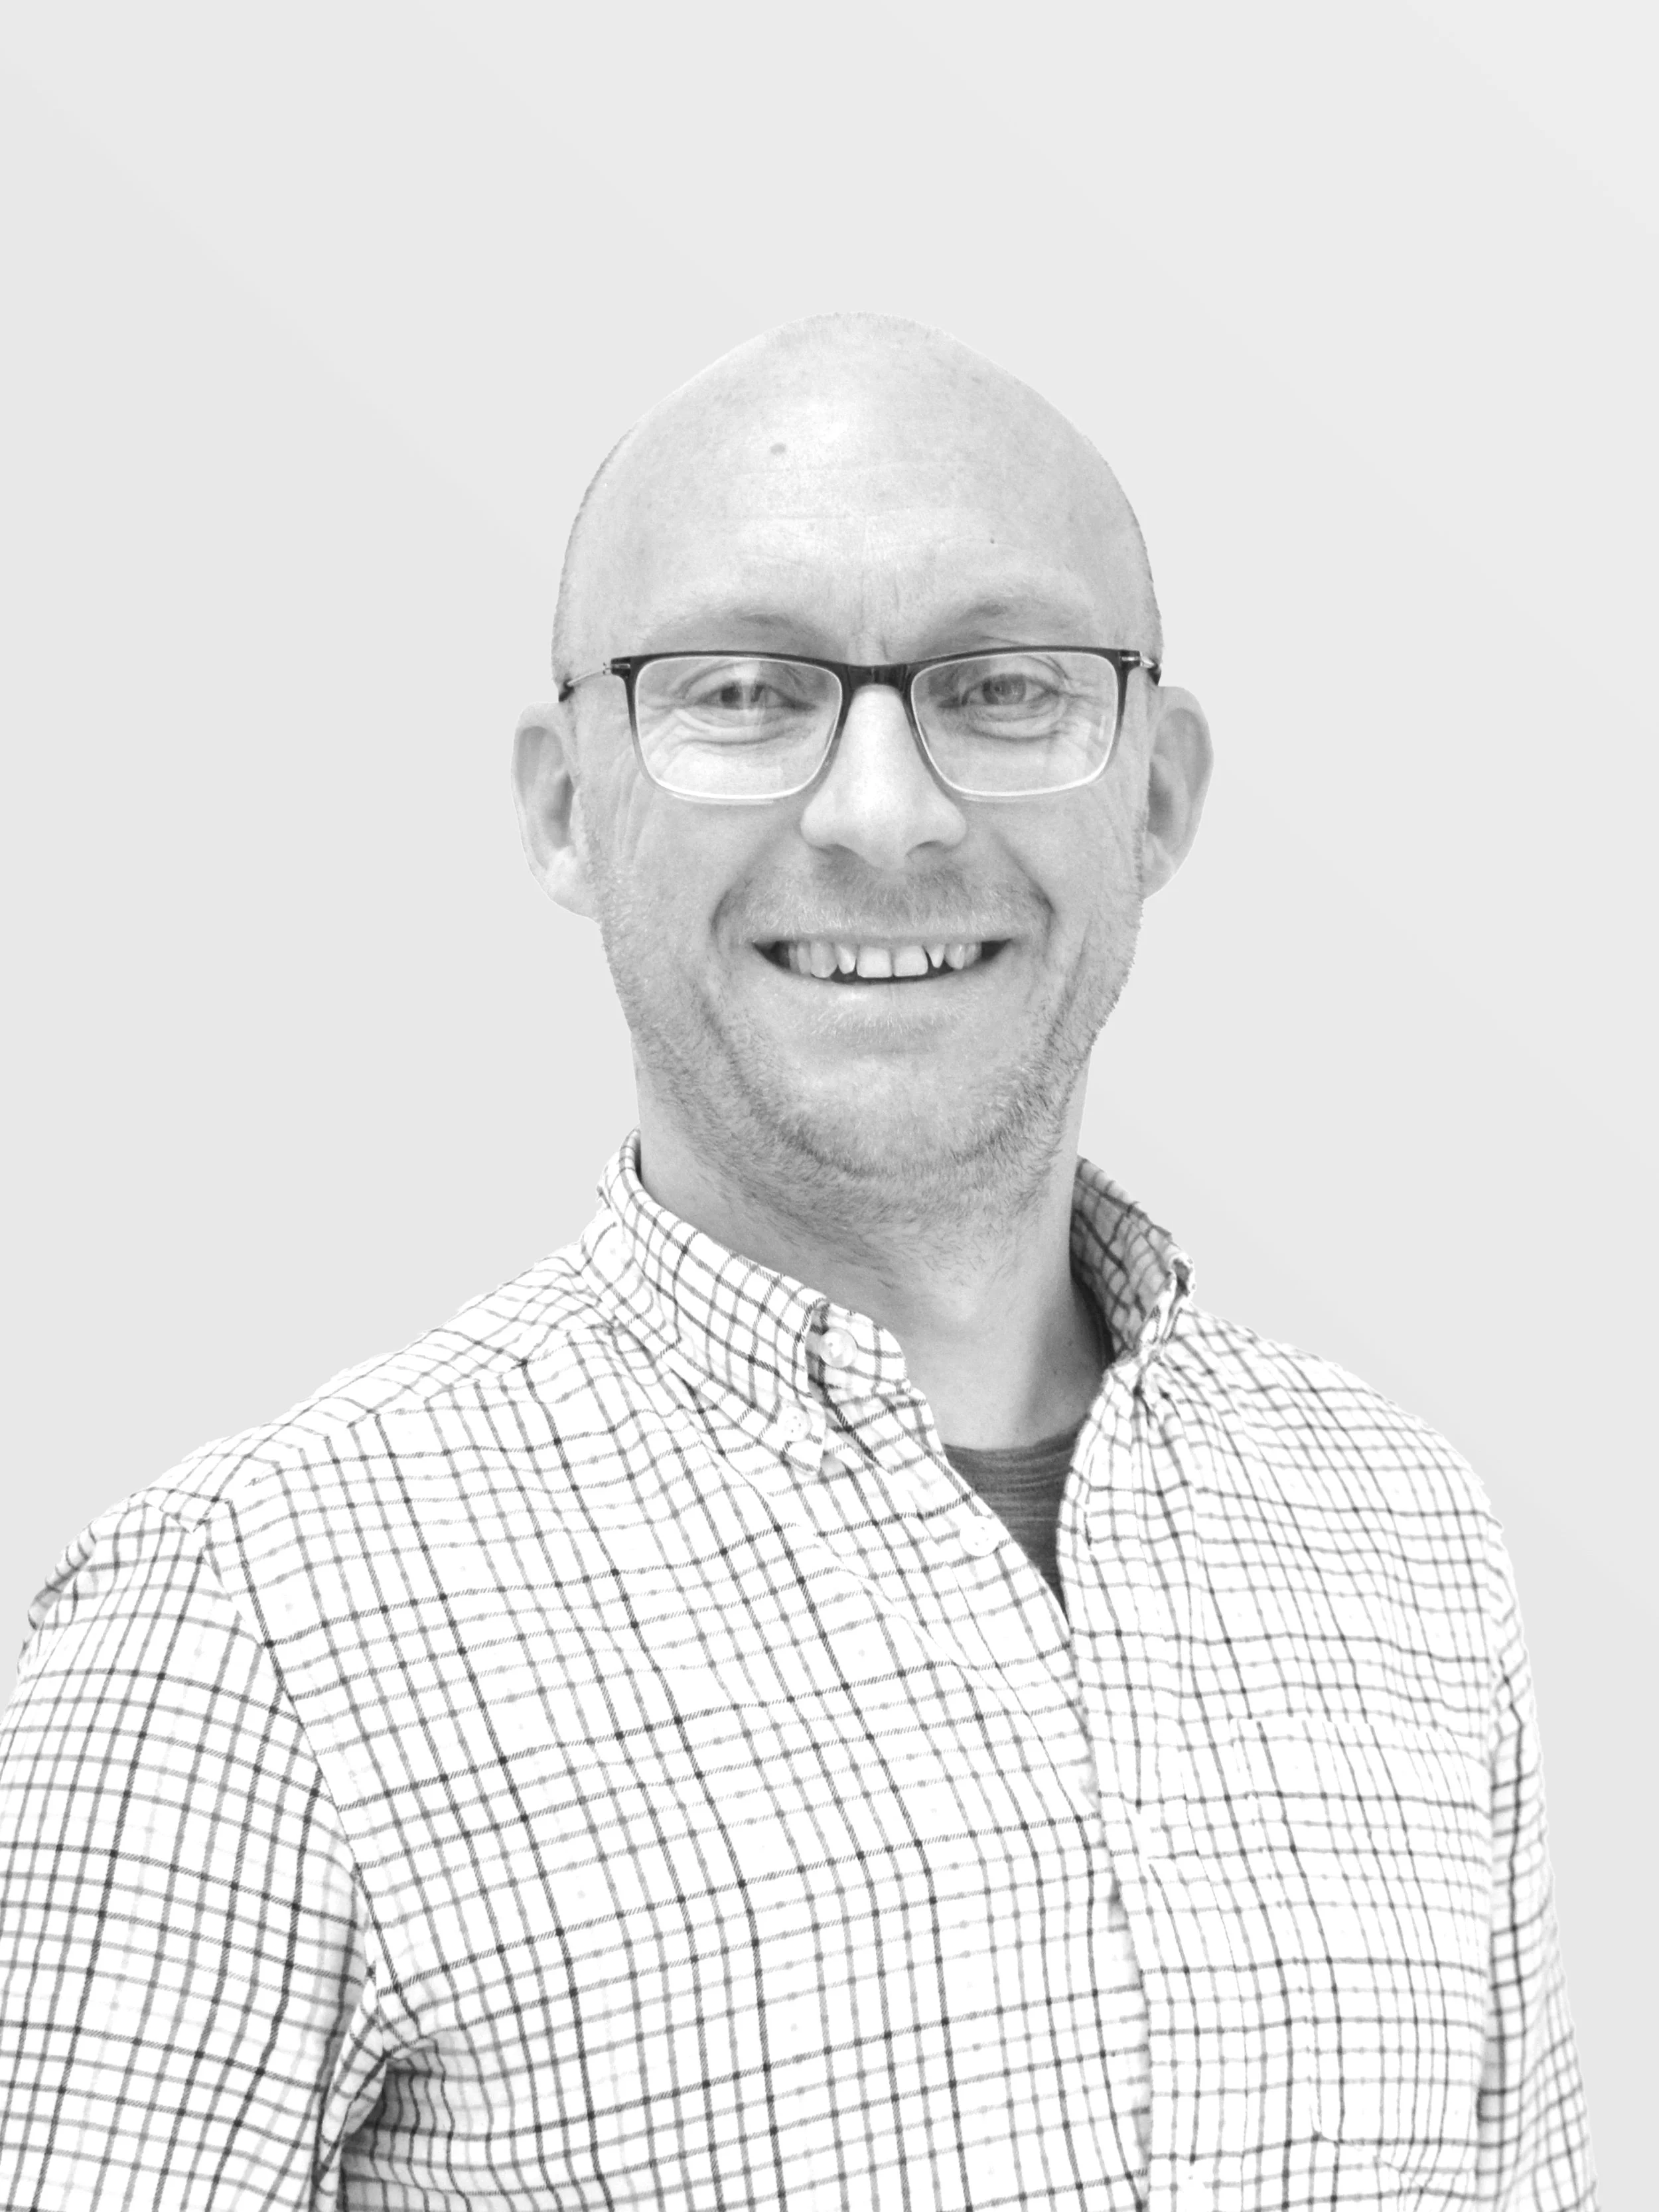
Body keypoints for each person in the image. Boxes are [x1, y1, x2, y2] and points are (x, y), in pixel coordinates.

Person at [0, 315, 1594, 2211]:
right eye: (744, 692)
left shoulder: (1403, 1538)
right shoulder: (248, 1624)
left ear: (1159, 796)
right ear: (562, 807)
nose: (882, 811)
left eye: (1006, 688)